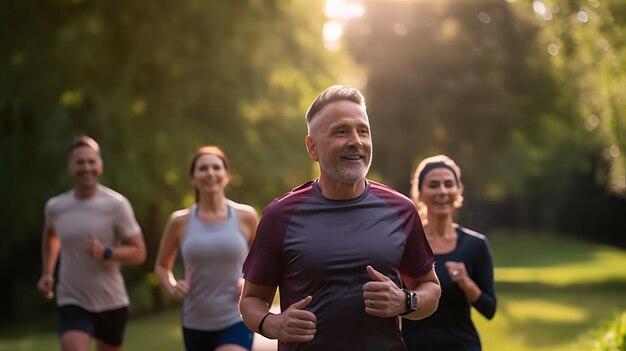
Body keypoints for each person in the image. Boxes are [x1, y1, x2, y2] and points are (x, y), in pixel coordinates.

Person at [239, 85, 442, 351]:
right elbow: (251, 300)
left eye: (363, 131)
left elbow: (431, 288)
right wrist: (272, 324)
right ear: (312, 148)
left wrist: (405, 301)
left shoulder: (400, 210)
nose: (356, 141)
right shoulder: (280, 215)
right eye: (341, 131)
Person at [37, 135, 147, 351]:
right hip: (72, 299)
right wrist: (47, 273)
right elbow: (51, 235)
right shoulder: (56, 207)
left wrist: (106, 252)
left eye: (91, 162)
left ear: (100, 166)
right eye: (80, 162)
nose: (86, 167)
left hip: (111, 301)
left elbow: (139, 252)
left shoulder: (117, 205)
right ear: (70, 167)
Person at [154, 145, 259, 351]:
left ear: (226, 175)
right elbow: (161, 266)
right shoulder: (179, 221)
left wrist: (248, 281)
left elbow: (262, 261)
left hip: (236, 316)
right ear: (193, 178)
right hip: (195, 321)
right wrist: (172, 285)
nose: (210, 173)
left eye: (216, 167)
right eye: (203, 169)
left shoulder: (246, 216)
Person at [402, 155, 497, 351]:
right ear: (419, 193)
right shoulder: (404, 243)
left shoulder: (476, 245)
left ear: (458, 191)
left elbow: (489, 309)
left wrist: (466, 282)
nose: (442, 191)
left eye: (448, 184)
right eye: (434, 185)